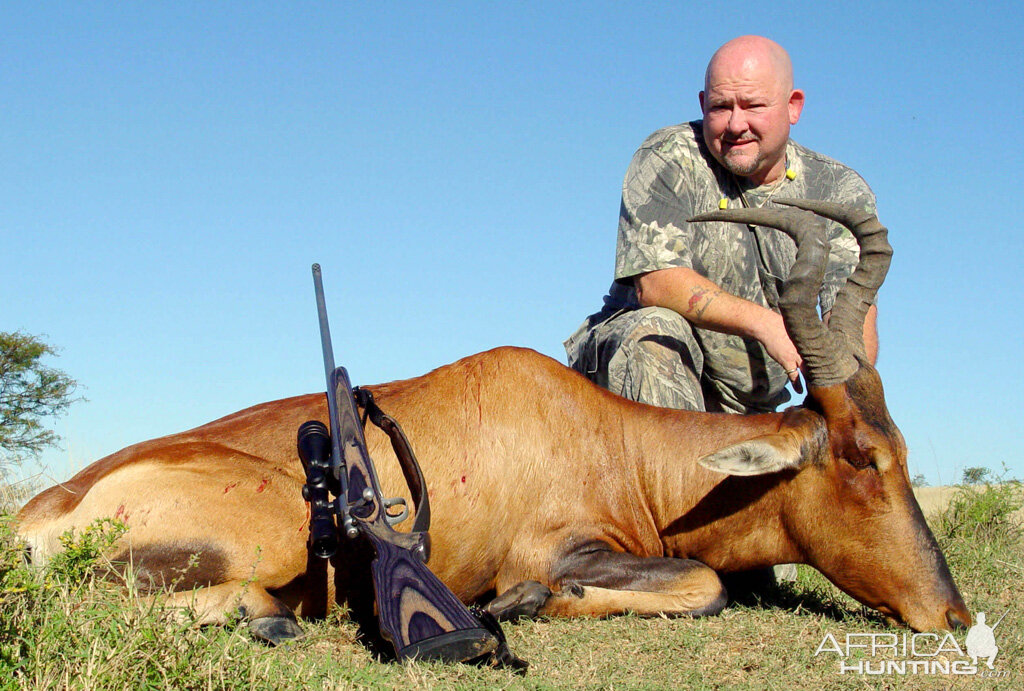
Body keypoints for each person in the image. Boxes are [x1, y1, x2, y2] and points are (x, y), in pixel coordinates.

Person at [565, 36, 879, 414]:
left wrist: (835, 373)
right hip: (632, 382)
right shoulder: (669, 156)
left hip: (751, 406)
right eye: (720, 107)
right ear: (702, 104)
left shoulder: (840, 190)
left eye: (753, 106)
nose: (735, 124)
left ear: (793, 106)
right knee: (656, 332)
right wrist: (768, 325)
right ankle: (676, 471)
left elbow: (850, 310)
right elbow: (657, 283)